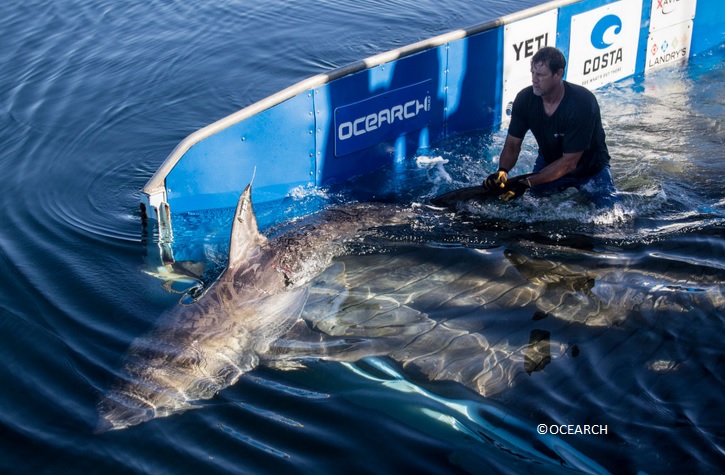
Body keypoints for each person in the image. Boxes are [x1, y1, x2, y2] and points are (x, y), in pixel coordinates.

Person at [484, 46, 617, 207]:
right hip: (549, 163)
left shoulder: (581, 104)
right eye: (532, 73)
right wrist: (503, 171)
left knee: (611, 215)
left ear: (559, 74)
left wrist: (526, 183)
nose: (534, 79)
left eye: (540, 75)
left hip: (590, 170)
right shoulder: (525, 99)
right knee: (526, 206)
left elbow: (569, 162)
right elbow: (513, 144)